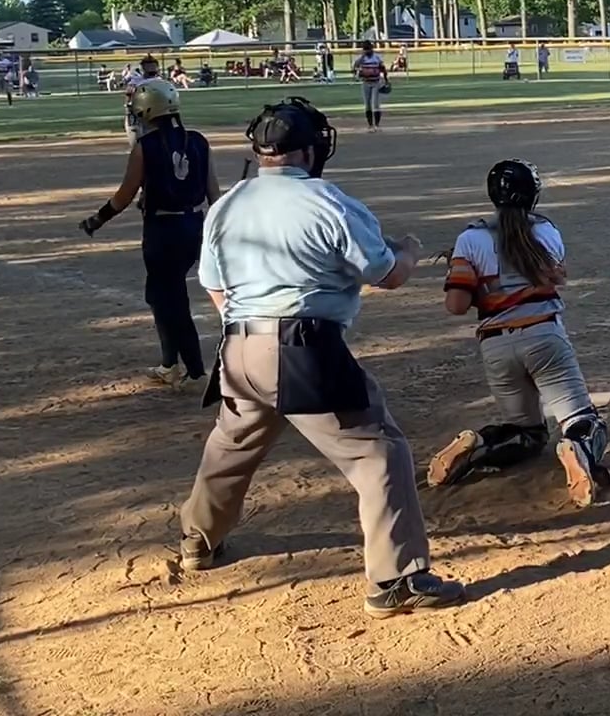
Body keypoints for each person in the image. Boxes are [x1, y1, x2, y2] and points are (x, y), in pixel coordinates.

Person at [177, 97, 464, 614]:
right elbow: (387, 275)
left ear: (259, 151)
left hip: (236, 346)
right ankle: (395, 579)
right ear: (310, 151)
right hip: (300, 348)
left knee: (232, 444)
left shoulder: (228, 205)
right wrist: (408, 248)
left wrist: (252, 332)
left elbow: (214, 285)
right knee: (378, 452)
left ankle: (198, 538)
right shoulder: (328, 201)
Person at [428, 160, 610, 507]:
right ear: (533, 195)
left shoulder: (470, 239)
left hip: (496, 346)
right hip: (544, 337)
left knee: (526, 433)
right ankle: (577, 448)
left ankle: (480, 445)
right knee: (583, 421)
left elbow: (456, 305)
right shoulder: (546, 232)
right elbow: (557, 276)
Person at [78, 80, 221, 386]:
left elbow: (124, 195)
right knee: (162, 295)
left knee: (169, 299)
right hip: (194, 225)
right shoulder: (198, 141)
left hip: (162, 230)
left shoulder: (145, 146)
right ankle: (171, 363)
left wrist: (97, 219)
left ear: (146, 110)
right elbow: (213, 193)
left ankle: (193, 369)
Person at [121, 55, 162, 147]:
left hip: (155, 115)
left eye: (153, 66)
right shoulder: (136, 81)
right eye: (148, 66)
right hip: (138, 115)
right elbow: (128, 96)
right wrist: (128, 109)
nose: (151, 68)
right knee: (137, 143)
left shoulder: (160, 81)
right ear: (143, 68)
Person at [354, 40, 388, 132]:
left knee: (376, 104)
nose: (367, 51)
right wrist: (361, 58)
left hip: (376, 82)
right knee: (367, 104)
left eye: (368, 49)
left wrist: (386, 80)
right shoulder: (361, 58)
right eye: (365, 49)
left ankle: (377, 125)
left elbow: (383, 68)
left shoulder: (376, 57)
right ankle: (370, 125)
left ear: (371, 48)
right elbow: (355, 66)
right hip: (366, 82)